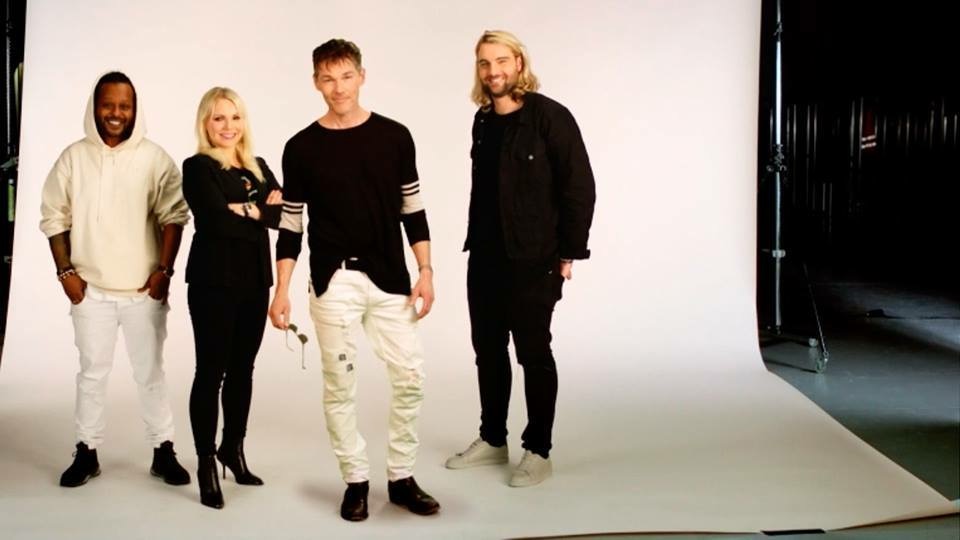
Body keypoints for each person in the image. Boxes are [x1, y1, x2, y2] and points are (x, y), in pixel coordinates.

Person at [268, 38, 439, 522]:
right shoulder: (301, 147)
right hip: (333, 281)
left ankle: (401, 477)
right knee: (340, 385)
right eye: (328, 78)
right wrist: (281, 289)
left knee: (411, 377)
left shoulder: (395, 137)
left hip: (390, 278)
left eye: (346, 76)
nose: (338, 87)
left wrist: (425, 271)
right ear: (315, 82)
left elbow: (412, 209)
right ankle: (355, 480)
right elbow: (292, 225)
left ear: (362, 76)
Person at [445, 30, 596, 487]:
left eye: (501, 61)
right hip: (485, 257)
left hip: (534, 258)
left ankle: (538, 450)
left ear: (519, 63)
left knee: (533, 352)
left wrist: (569, 252)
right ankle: (493, 439)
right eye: (484, 63)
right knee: (488, 352)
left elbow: (579, 188)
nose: (493, 71)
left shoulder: (550, 117)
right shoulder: (482, 121)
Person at [40, 71, 191, 488]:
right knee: (92, 373)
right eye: (108, 104)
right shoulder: (73, 157)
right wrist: (65, 272)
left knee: (150, 374)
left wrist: (164, 272)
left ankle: (163, 450)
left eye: (124, 105)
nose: (116, 113)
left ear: (135, 109)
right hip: (91, 291)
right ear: (95, 107)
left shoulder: (155, 158)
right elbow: (54, 215)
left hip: (143, 290)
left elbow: (175, 216)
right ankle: (86, 451)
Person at [182, 87, 283, 509]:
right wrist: (258, 211)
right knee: (211, 372)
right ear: (206, 123)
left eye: (235, 117)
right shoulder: (197, 167)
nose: (228, 126)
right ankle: (206, 462)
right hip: (213, 283)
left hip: (255, 282)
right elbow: (213, 221)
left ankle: (232, 448)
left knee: (243, 370)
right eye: (219, 118)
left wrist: (245, 208)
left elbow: (285, 215)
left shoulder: (259, 166)